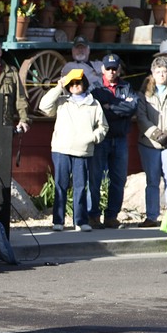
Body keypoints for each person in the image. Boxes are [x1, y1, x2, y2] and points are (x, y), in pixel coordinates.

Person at [39, 68, 108, 232]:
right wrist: (58, 86)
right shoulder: (62, 101)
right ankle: (58, 220)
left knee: (80, 186)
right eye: (72, 83)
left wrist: (93, 137)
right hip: (61, 148)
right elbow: (44, 106)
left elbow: (103, 126)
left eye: (78, 82)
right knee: (60, 185)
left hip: (83, 151)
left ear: (84, 83)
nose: (76, 85)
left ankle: (80, 221)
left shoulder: (94, 103)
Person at [87, 54, 138, 230]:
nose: (111, 71)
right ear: (102, 69)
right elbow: (97, 111)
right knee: (95, 178)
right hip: (101, 139)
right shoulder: (95, 88)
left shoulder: (126, 87)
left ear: (119, 69)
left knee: (118, 179)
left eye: (114, 68)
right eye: (108, 68)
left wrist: (111, 107)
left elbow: (132, 107)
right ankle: (93, 216)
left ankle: (111, 216)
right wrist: (119, 108)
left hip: (120, 139)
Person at [136, 56, 167, 227]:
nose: (161, 75)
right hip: (149, 143)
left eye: (165, 71)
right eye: (158, 72)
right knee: (152, 181)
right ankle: (151, 216)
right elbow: (141, 117)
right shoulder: (144, 91)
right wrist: (156, 133)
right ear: (152, 73)